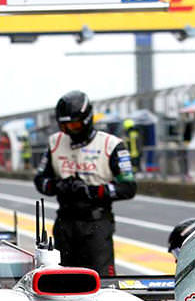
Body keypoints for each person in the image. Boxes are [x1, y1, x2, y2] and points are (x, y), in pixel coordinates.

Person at [33, 90, 137, 277]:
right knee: (63, 281)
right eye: (65, 127)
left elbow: (128, 187)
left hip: (96, 224)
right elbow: (40, 180)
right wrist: (59, 186)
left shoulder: (111, 145)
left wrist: (93, 191)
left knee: (102, 282)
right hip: (65, 224)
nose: (70, 131)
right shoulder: (55, 142)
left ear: (87, 119)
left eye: (75, 125)